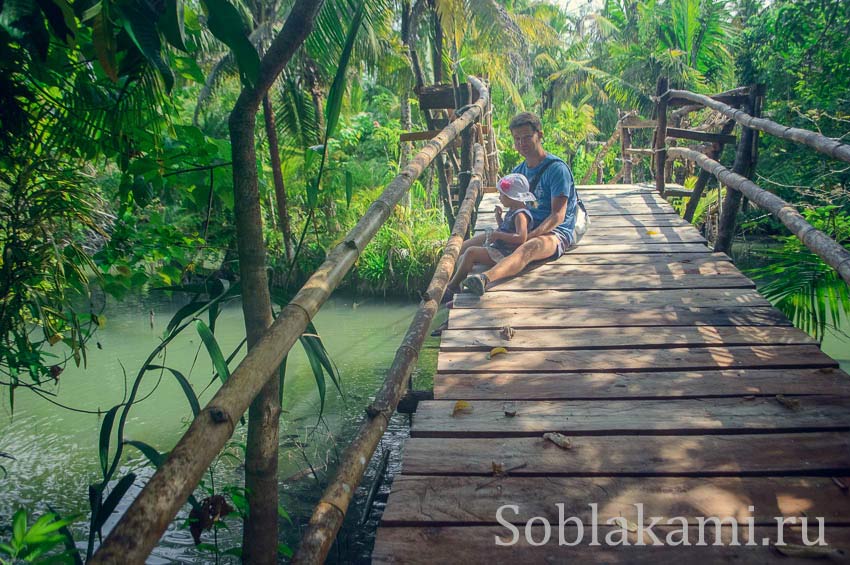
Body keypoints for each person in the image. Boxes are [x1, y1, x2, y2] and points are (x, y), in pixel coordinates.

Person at [461, 111, 585, 295]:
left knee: (528, 248)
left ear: (540, 135)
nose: (522, 144)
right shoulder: (518, 171)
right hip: (524, 226)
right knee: (465, 245)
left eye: (527, 137)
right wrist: (502, 226)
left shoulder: (557, 170)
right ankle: (448, 283)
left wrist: (530, 235)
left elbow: (557, 216)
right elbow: (515, 208)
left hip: (554, 232)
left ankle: (484, 279)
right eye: (517, 139)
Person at [442, 174, 536, 302]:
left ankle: (452, 287)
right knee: (464, 257)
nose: (499, 197)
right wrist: (499, 220)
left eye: (502, 195)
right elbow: (508, 229)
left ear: (512, 197)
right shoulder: (514, 210)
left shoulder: (521, 215)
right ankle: (461, 282)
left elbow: (521, 237)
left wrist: (498, 235)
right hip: (500, 249)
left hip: (505, 254)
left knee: (471, 252)